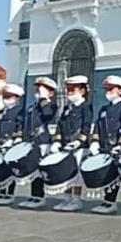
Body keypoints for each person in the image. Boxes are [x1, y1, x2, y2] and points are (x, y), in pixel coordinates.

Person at [89, 75, 121, 215]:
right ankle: (105, 200)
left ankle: (111, 201)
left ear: (120, 91)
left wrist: (120, 143)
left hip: (115, 146)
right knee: (104, 172)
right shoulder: (103, 109)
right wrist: (94, 141)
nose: (108, 91)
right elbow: (97, 126)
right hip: (103, 145)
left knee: (112, 174)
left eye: (111, 88)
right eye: (107, 89)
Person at [50, 75, 92, 212]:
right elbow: (60, 125)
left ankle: (77, 200)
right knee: (65, 172)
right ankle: (67, 198)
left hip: (79, 147)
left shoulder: (85, 108)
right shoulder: (68, 108)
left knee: (77, 174)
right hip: (66, 144)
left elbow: (86, 126)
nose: (69, 93)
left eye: (73, 90)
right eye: (68, 90)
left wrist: (80, 141)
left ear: (82, 91)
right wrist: (57, 141)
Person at [16, 77, 58, 210]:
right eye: (37, 88)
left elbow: (48, 115)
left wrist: (44, 99)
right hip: (31, 142)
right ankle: (34, 196)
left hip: (43, 142)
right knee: (33, 170)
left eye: (42, 88)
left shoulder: (50, 105)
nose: (38, 91)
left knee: (40, 171)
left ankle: (40, 197)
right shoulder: (32, 107)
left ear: (50, 93)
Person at [0, 84, 26, 206]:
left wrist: (15, 138)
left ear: (17, 98)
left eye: (8, 96)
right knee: (0, 169)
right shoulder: (0, 112)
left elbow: (20, 126)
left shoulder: (20, 111)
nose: (5, 99)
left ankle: (10, 194)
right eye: (4, 96)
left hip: (11, 143)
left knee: (10, 169)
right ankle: (2, 193)